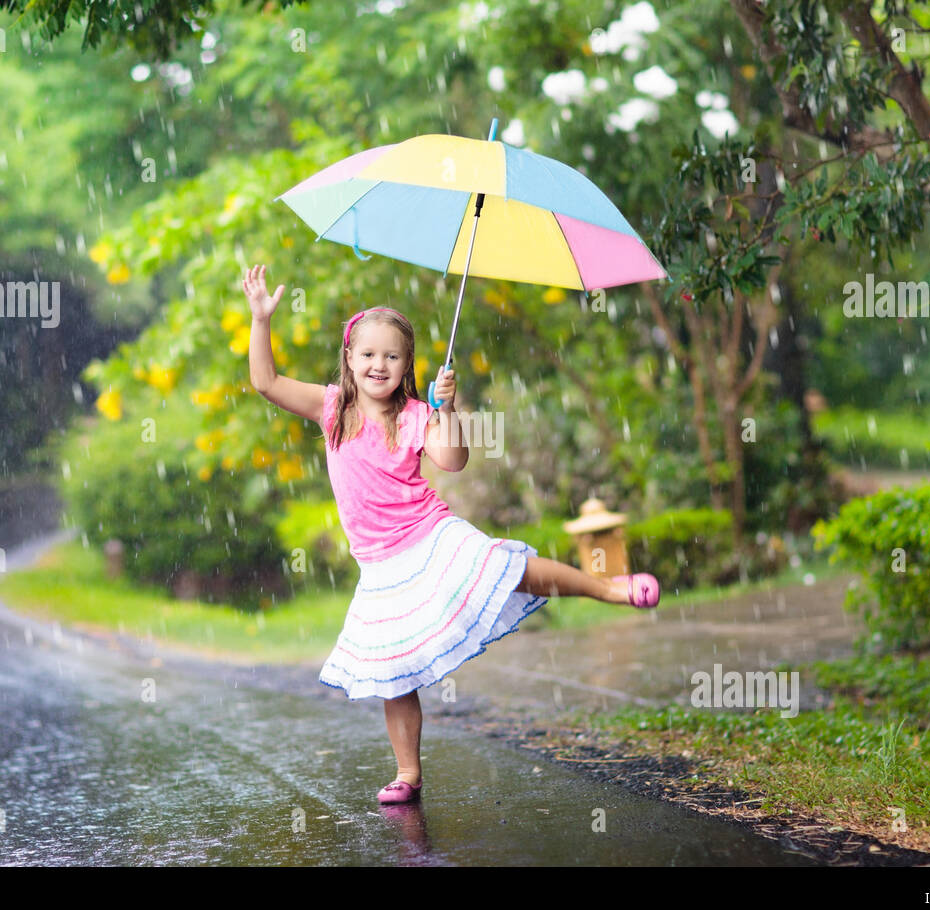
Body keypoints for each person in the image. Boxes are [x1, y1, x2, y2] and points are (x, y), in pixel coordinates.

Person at [241, 263, 660, 805]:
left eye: (391, 356)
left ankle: (608, 588)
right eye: (367, 355)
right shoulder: (332, 409)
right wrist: (260, 321)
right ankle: (407, 773)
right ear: (349, 358)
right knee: (396, 671)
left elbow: (453, 460)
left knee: (508, 567)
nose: (378, 365)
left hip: (431, 534)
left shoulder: (418, 414)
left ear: (407, 364)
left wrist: (450, 411)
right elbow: (265, 382)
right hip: (381, 563)